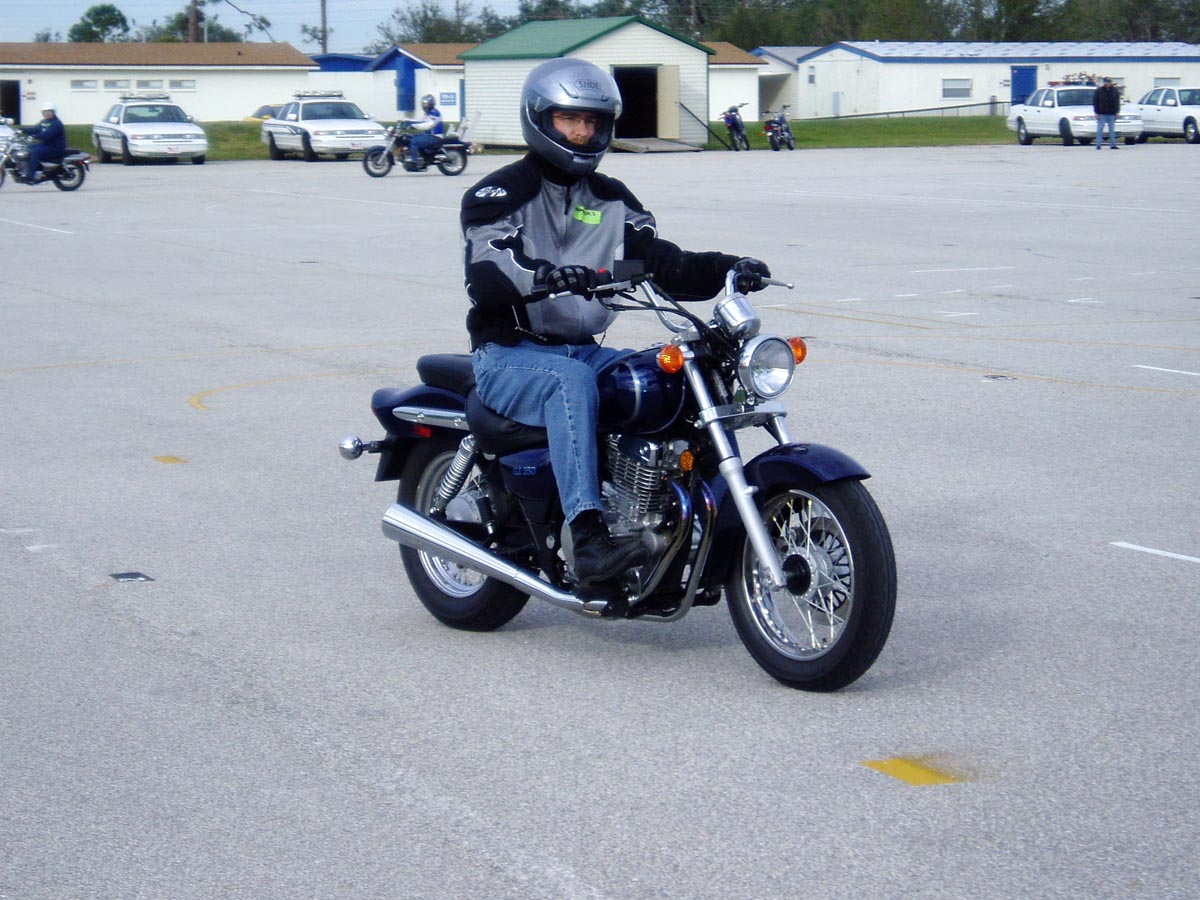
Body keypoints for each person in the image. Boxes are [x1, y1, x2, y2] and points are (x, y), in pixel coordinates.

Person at [460, 58, 770, 593]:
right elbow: (491, 265)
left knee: (668, 377)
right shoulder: (500, 194)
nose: (582, 132)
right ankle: (588, 538)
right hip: (509, 353)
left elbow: (659, 260)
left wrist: (727, 267)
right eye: (569, 119)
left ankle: (668, 518)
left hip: (581, 347)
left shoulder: (613, 199)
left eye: (592, 121)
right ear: (539, 119)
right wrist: (545, 276)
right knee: (571, 382)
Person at [20, 101, 66, 181]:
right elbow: (34, 129)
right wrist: (22, 130)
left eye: (49, 111)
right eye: (45, 112)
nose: (47, 113)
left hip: (55, 147)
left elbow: (47, 135)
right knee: (26, 149)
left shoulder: (56, 123)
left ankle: (30, 176)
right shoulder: (44, 122)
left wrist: (34, 136)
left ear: (53, 112)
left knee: (36, 152)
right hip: (45, 145)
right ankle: (25, 170)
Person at [407, 94, 444, 169]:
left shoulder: (435, 113)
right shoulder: (428, 113)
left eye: (425, 104)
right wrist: (407, 121)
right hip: (428, 136)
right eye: (423, 104)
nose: (424, 105)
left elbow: (428, 125)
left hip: (435, 137)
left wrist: (413, 126)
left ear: (431, 104)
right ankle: (422, 158)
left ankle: (414, 163)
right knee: (409, 138)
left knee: (414, 141)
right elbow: (421, 121)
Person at [1093, 77, 1121, 150]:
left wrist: (1117, 112)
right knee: (1100, 129)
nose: (1108, 83)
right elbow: (1095, 102)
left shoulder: (1115, 91)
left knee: (1112, 130)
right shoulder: (1099, 91)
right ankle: (1098, 145)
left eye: (1109, 82)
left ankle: (1113, 145)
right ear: (1104, 82)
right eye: (1106, 82)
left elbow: (1117, 102)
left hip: (1112, 113)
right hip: (1102, 113)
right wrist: (1096, 112)